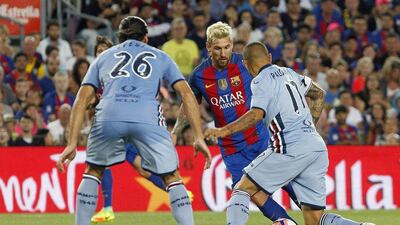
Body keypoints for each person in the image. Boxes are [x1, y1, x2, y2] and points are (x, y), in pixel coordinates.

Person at [56, 16, 211, 225]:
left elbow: (81, 99)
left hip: (109, 117)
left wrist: (72, 143)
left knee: (93, 171)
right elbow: (186, 94)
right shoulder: (161, 56)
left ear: (119, 39)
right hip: (146, 117)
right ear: (146, 38)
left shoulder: (103, 57)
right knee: (172, 177)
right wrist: (199, 136)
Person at [204, 41, 375, 225]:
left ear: (245, 64)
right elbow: (319, 93)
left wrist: (224, 130)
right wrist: (310, 125)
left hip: (289, 146)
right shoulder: (290, 73)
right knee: (316, 220)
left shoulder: (260, 80)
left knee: (242, 188)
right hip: (315, 146)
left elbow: (255, 114)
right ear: (269, 57)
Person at [172, 22, 298, 224]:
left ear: (232, 44)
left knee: (290, 182)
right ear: (208, 47)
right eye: (217, 48)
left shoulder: (245, 63)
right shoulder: (199, 75)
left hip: (261, 137)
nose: (223, 53)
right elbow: (188, 104)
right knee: (250, 191)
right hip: (232, 148)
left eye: (227, 47)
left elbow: (272, 82)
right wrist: (176, 130)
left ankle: (317, 216)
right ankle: (285, 221)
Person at [90, 36, 186, 223]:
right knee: (142, 168)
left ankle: (108, 208)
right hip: (122, 125)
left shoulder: (115, 74)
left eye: (104, 51)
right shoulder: (97, 72)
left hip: (123, 123)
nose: (101, 54)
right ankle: (178, 190)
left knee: (104, 162)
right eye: (98, 52)